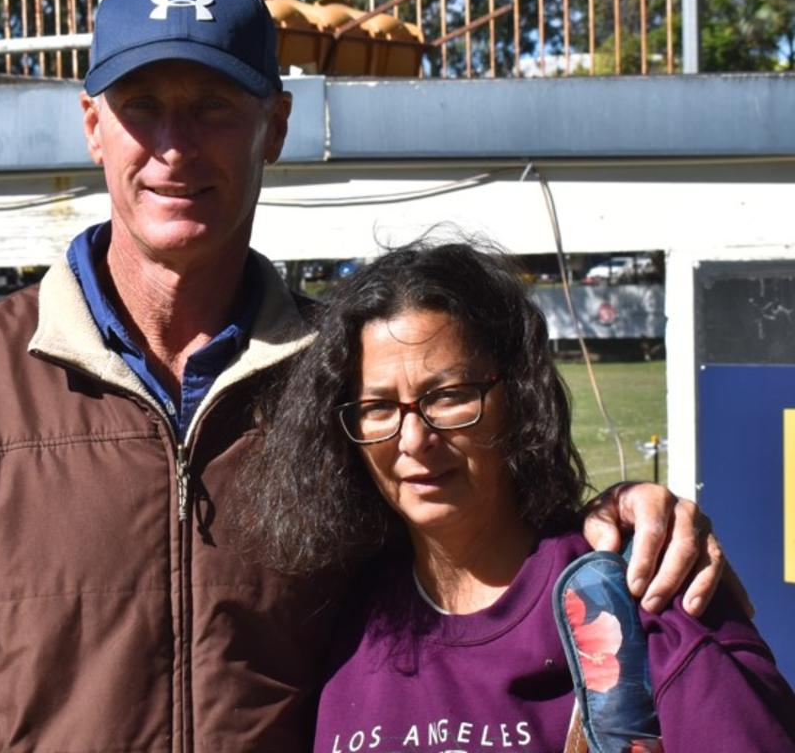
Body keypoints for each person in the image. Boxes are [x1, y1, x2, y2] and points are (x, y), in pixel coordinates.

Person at [0, 0, 728, 750]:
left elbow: (480, 540)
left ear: (274, 127)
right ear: (93, 126)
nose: (175, 146)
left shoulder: (345, 384)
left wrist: (618, 520)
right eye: (143, 107)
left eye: (213, 106)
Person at [238, 239, 795, 751]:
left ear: (520, 397)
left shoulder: (647, 593)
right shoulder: (334, 611)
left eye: (450, 395)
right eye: (378, 408)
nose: (414, 440)